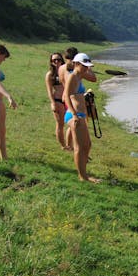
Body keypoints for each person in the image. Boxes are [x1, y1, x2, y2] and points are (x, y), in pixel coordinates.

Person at [63, 52, 100, 183]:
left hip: (81, 114)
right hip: (75, 115)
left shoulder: (80, 75)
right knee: (79, 147)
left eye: (87, 66)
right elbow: (66, 96)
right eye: (83, 66)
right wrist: (73, 114)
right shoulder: (72, 77)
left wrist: (89, 67)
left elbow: (94, 79)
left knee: (87, 145)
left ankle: (84, 173)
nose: (86, 68)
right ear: (76, 64)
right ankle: (82, 176)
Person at [45, 52, 70, 150]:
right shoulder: (50, 74)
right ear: (51, 62)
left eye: (58, 59)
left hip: (68, 100)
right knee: (60, 124)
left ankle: (69, 144)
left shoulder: (65, 70)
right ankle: (63, 146)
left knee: (71, 122)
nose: (56, 62)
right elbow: (49, 90)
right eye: (54, 60)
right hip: (58, 100)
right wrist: (53, 103)